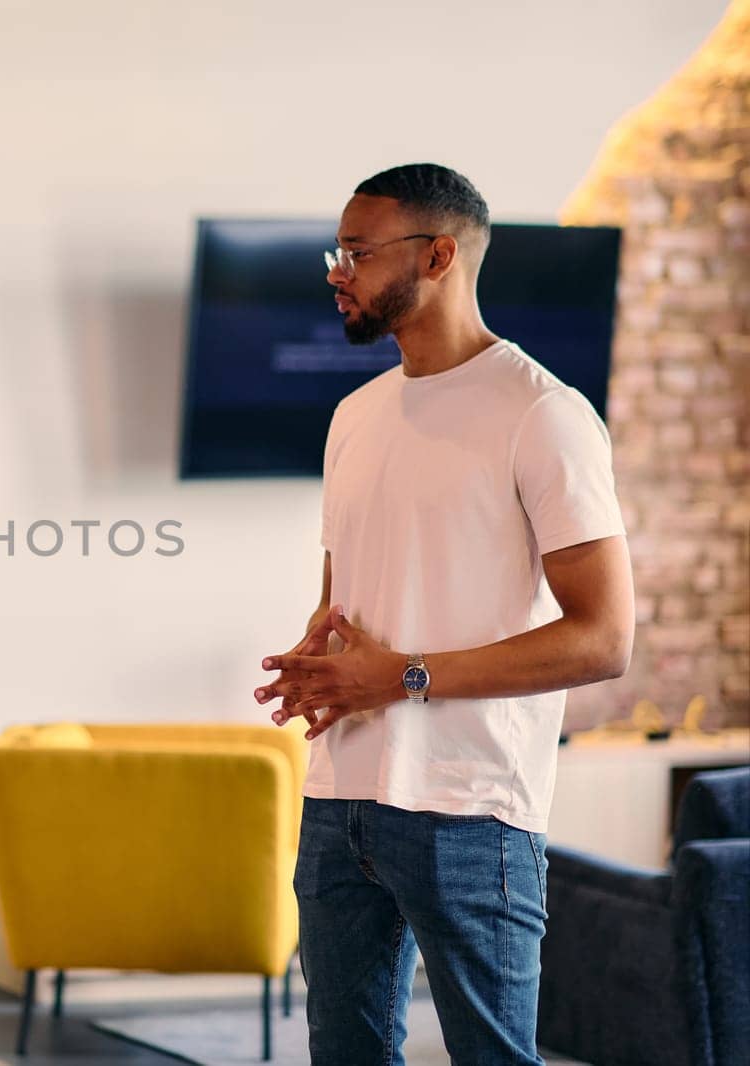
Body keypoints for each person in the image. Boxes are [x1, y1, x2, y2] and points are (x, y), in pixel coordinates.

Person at [255, 164, 634, 1065]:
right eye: (335, 251)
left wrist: (403, 676)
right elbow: (346, 591)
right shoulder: (354, 415)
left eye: (356, 251)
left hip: (474, 812)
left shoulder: (543, 414)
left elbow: (604, 637)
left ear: (438, 255)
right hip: (340, 800)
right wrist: (322, 655)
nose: (336, 271)